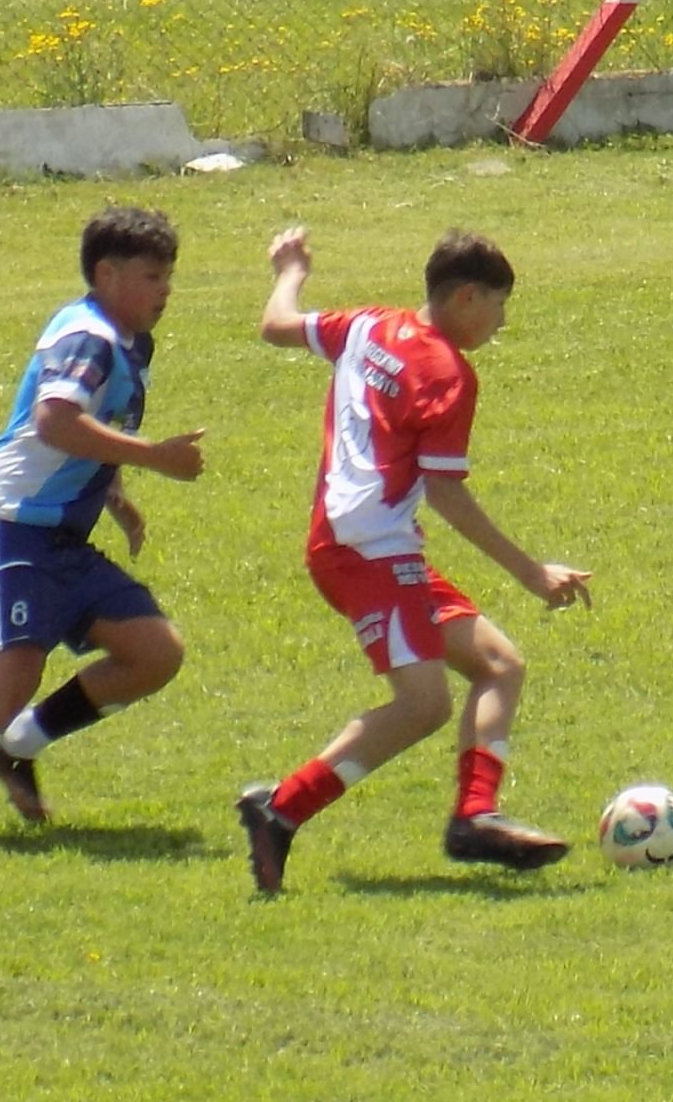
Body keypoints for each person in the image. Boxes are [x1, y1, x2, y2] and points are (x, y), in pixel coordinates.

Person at [237, 226, 592, 894]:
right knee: (423, 704)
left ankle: (474, 818)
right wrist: (531, 571)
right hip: (365, 550)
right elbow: (445, 490)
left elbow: (275, 325)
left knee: (499, 665)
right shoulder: (448, 374)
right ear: (465, 298)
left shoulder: (367, 324)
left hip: (365, 543)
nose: (502, 320)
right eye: (499, 303)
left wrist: (290, 269)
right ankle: (279, 809)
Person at [0, 207, 206, 852]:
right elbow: (54, 422)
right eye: (152, 276)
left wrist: (112, 491)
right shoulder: (88, 337)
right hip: (8, 523)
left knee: (154, 652)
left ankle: (18, 744)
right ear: (107, 273)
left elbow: (86, 427)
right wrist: (155, 457)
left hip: (58, 536)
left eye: (169, 276)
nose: (165, 290)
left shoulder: (126, 339)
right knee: (15, 670)